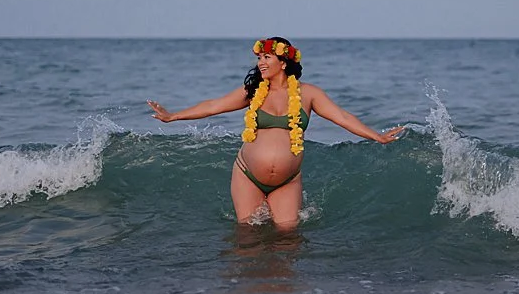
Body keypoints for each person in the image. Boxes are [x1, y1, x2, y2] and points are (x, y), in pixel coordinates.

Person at [148, 37, 405, 228]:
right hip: (248, 175)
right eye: (259, 58)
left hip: (288, 179)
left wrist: (377, 136)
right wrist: (174, 116)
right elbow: (213, 106)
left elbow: (343, 117)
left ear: (283, 62)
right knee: (247, 235)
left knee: (288, 236)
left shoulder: (309, 94)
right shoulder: (253, 92)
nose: (260, 63)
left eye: (266, 58)